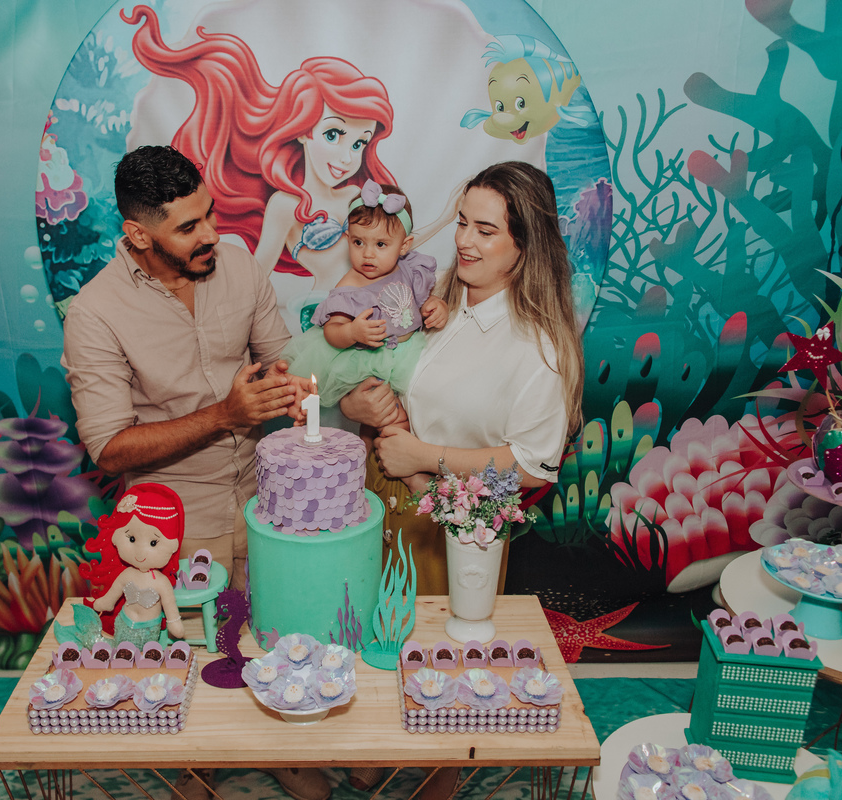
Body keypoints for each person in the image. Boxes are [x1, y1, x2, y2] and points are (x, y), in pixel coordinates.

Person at [60, 145, 329, 800]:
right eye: (188, 227)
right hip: (168, 516)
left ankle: (277, 745)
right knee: (193, 649)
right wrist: (223, 415)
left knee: (265, 631)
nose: (211, 234)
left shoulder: (237, 266)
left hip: (262, 496)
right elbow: (108, 447)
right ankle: (193, 767)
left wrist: (293, 391)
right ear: (138, 234)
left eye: (209, 213)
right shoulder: (95, 313)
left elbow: (284, 359)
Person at [341, 161, 584, 798]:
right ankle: (378, 743)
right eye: (462, 224)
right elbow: (371, 375)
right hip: (385, 502)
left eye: (486, 230)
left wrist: (425, 454)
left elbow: (534, 463)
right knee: (381, 640)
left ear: (525, 245)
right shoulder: (432, 299)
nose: (465, 241)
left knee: (446, 665)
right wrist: (360, 409)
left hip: (456, 528)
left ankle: (444, 772)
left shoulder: (537, 344)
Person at [123, 5, 455, 296]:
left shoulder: (360, 195)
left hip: (377, 312)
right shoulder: (285, 205)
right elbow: (257, 275)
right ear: (303, 132)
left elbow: (397, 242)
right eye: (333, 134)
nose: (346, 157)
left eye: (358, 143)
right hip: (328, 318)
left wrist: (447, 217)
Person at [282, 179, 449, 421]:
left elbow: (420, 301)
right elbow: (332, 331)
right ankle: (371, 448)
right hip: (369, 360)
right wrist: (351, 332)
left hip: (410, 352)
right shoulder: (350, 286)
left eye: (381, 244)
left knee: (420, 406)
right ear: (348, 237)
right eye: (358, 242)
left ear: (404, 246)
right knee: (380, 415)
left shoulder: (409, 268)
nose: (368, 254)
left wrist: (436, 306)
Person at [83, 483, 186, 645]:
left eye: (153, 543)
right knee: (122, 653)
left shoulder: (161, 582)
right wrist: (103, 603)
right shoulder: (127, 574)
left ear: (172, 545)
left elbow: (170, 606)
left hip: (149, 629)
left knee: (146, 656)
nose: (140, 553)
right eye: (132, 539)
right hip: (123, 622)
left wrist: (174, 622)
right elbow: (112, 596)